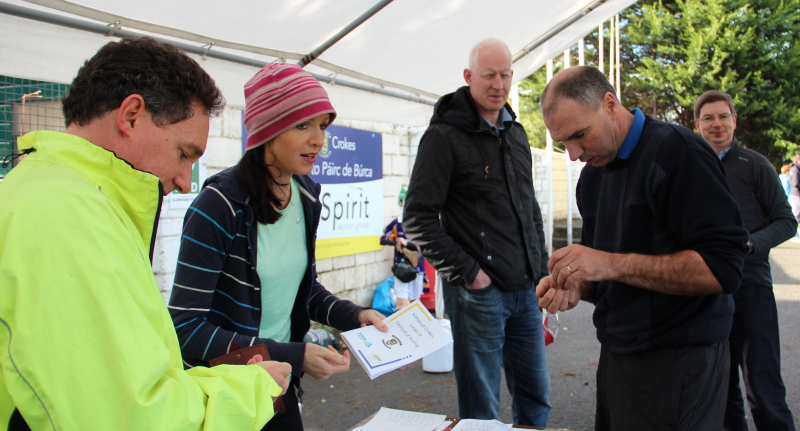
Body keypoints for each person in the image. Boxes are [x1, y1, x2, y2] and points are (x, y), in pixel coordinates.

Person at [0, 37, 292, 431]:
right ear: (132, 115)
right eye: (184, 153)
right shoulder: (69, 218)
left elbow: (124, 384)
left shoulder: (47, 192)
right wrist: (250, 388)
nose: (185, 182)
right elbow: (131, 417)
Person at [168, 62, 388, 431]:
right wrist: (293, 354)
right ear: (266, 131)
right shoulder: (219, 205)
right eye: (303, 125)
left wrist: (353, 315)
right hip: (227, 394)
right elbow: (184, 328)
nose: (319, 140)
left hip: (279, 384)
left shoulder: (307, 195)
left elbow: (304, 289)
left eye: (322, 125)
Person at [537, 66, 749, 431]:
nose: (572, 154)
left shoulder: (678, 153)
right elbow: (605, 274)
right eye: (563, 144)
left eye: (580, 136)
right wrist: (578, 285)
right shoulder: (591, 176)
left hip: (681, 358)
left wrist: (609, 264)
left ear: (609, 104)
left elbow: (724, 268)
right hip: (620, 353)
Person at [404, 38, 551, 427]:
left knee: (537, 400)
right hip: (479, 295)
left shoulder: (516, 134)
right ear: (469, 77)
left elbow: (529, 210)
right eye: (488, 75)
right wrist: (470, 274)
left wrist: (542, 269)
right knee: (481, 411)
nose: (498, 84)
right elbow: (418, 218)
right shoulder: (443, 137)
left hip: (525, 291)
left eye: (505, 75)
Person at [693, 90, 797, 431]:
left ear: (734, 120)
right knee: (720, 391)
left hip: (751, 287)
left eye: (723, 116)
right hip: (706, 291)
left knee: (764, 388)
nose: (717, 124)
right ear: (697, 124)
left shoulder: (755, 165)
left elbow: (786, 221)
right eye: (708, 118)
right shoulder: (690, 166)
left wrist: (752, 243)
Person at [380, 186, 426, 309]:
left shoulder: (421, 223)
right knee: (401, 302)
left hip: (417, 268)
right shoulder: (396, 223)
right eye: (403, 201)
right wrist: (397, 242)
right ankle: (399, 327)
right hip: (401, 268)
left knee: (416, 303)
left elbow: (424, 245)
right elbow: (383, 240)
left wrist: (406, 243)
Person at [789, 154, 800, 242]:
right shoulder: (795, 169)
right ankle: (793, 233)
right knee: (796, 214)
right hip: (796, 193)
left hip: (795, 193)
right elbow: (795, 183)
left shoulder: (794, 169)